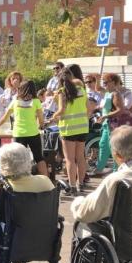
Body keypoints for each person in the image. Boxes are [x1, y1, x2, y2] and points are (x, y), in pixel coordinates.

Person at [70, 126, 132, 228]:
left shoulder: (116, 180)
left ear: (117, 155)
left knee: (82, 225)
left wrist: (77, 202)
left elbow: (86, 213)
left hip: (124, 238)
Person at [51, 64, 94, 195]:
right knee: (80, 157)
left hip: (68, 128)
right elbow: (89, 108)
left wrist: (54, 116)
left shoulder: (62, 92)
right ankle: (81, 184)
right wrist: (84, 119)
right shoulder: (81, 89)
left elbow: (61, 111)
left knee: (69, 159)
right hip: (82, 127)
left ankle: (72, 186)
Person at [0, 79, 46, 178]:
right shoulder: (36, 102)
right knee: (39, 158)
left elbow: (5, 117)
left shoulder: (16, 101)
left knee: (18, 158)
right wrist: (41, 125)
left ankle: (20, 181)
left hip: (18, 134)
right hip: (33, 133)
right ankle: (46, 181)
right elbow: (41, 120)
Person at [94, 73, 132, 174]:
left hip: (114, 125)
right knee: (103, 145)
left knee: (115, 147)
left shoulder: (116, 94)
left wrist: (106, 116)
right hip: (107, 124)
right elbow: (98, 88)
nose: (104, 84)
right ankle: (99, 168)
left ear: (114, 83)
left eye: (106, 82)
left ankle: (117, 170)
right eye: (104, 82)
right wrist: (97, 79)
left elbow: (120, 110)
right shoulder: (108, 92)